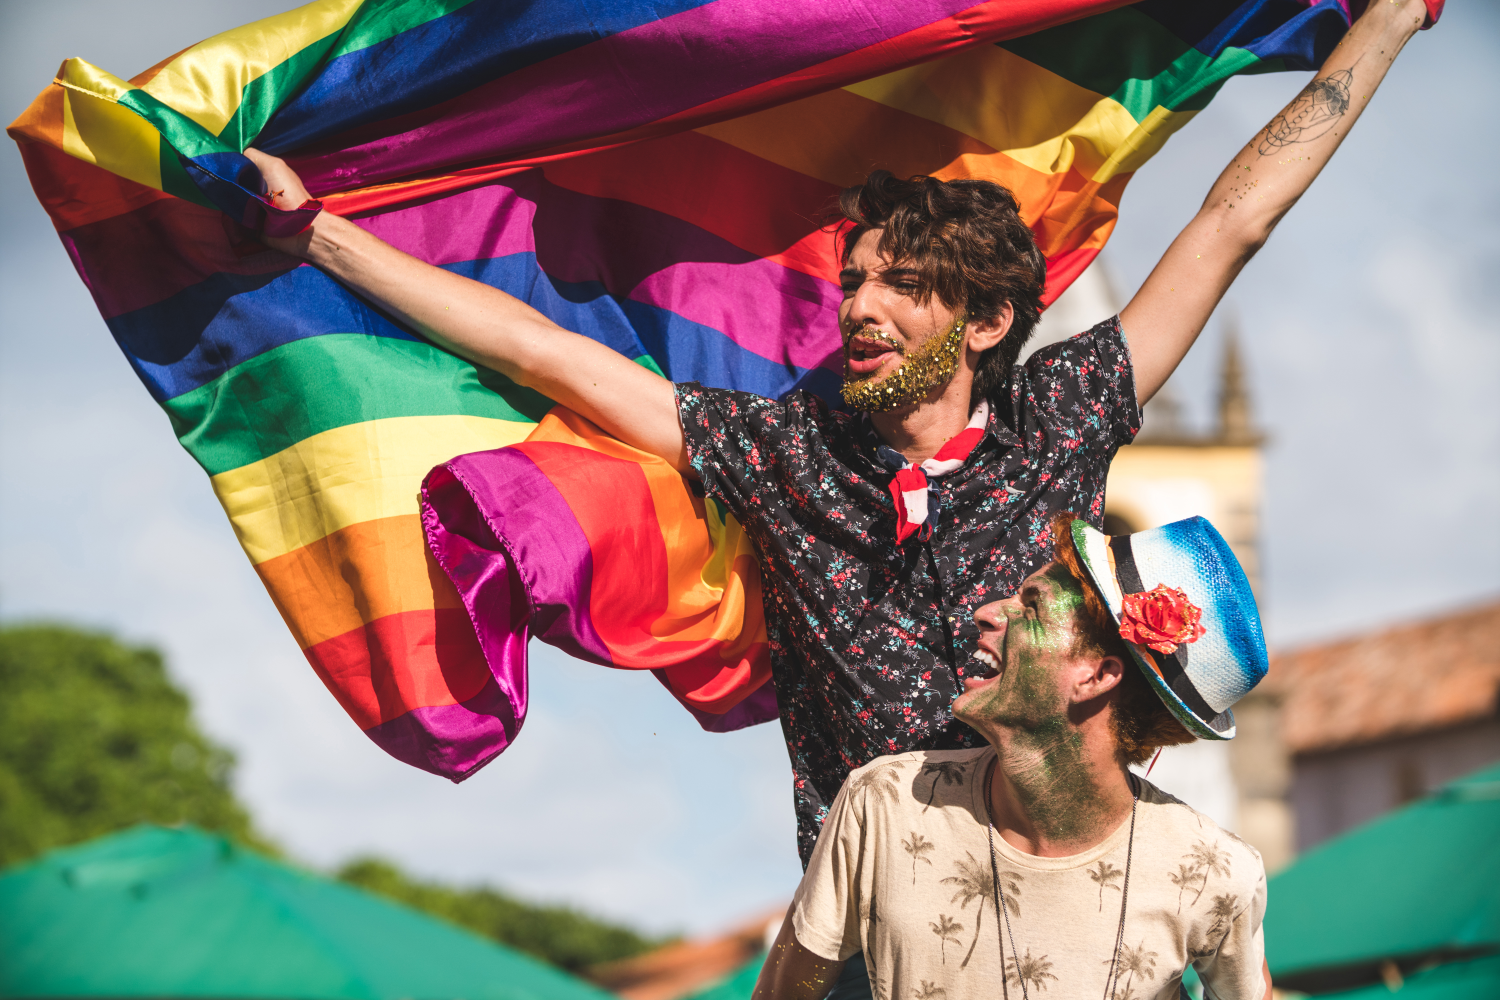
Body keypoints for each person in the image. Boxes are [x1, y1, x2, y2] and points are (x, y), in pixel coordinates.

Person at [245, 0, 1429, 875]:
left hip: (1072, 927)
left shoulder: (1062, 415)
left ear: (987, 320)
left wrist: (1387, 19)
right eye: (852, 278)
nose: (857, 304)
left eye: (899, 283)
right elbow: (545, 354)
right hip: (869, 936)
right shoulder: (780, 454)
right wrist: (322, 242)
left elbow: (1231, 223)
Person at [754, 512, 1271, 1000]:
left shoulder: (1215, 872)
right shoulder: (884, 805)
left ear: (1097, 675)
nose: (984, 612)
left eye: (1031, 606)